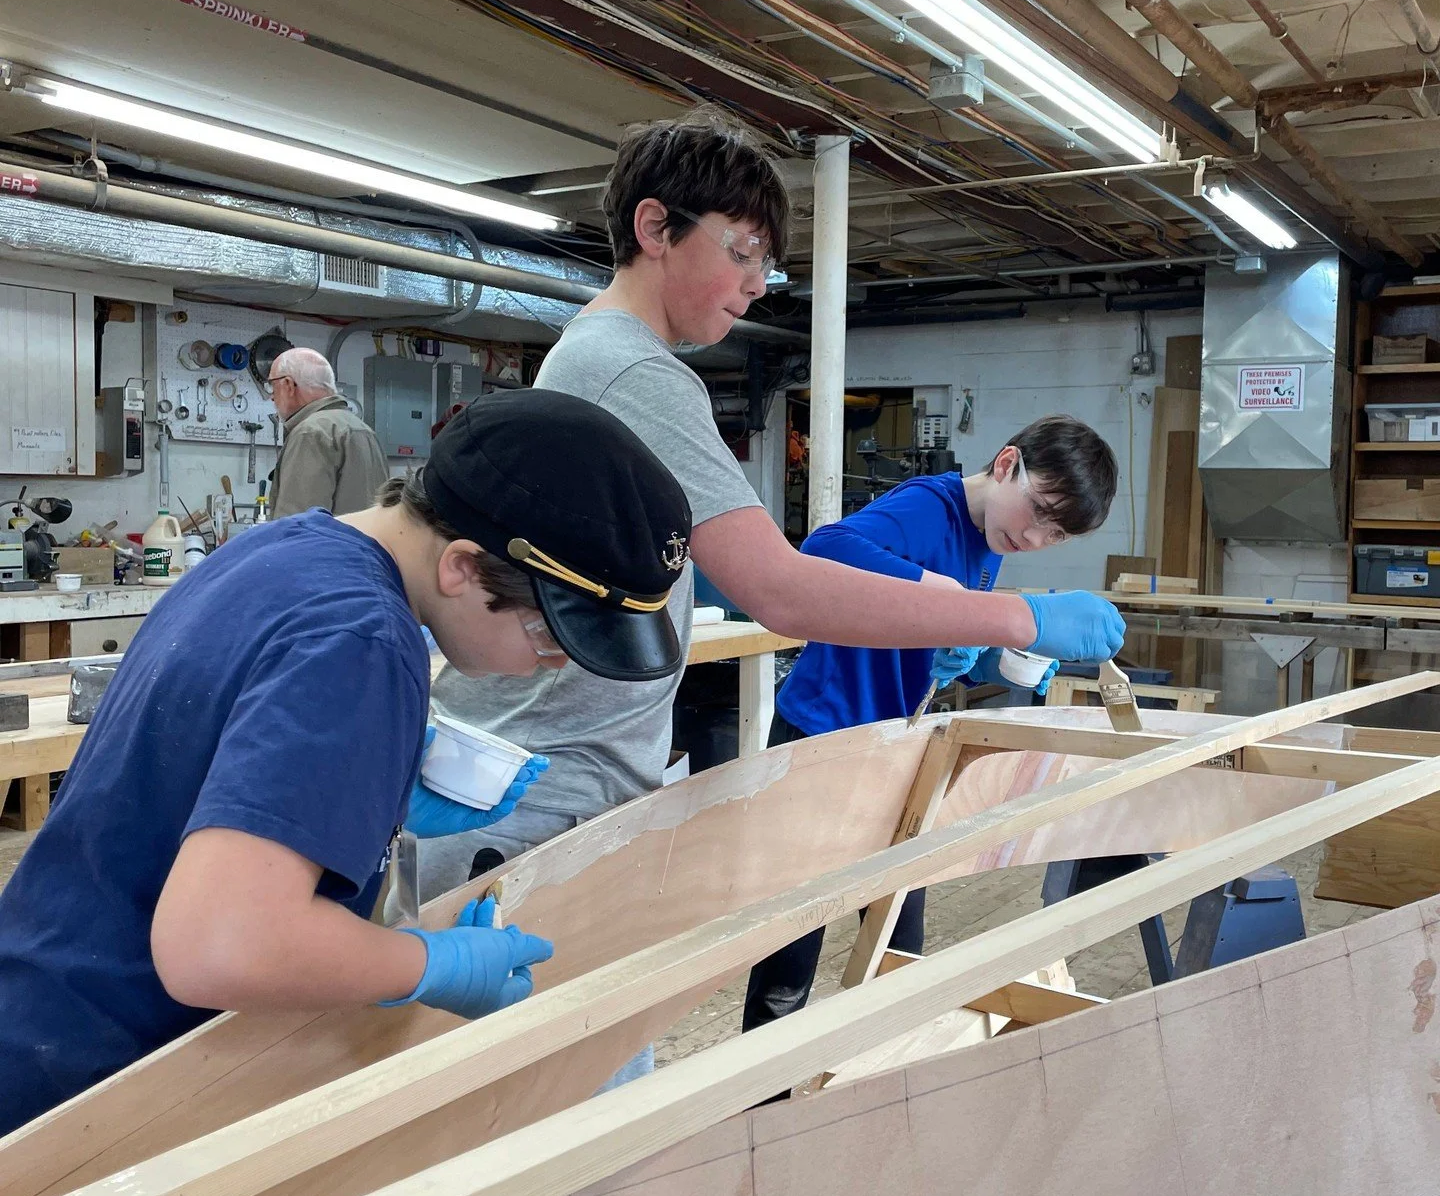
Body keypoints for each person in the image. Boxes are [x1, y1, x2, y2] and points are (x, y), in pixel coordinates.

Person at [410, 109, 1126, 911]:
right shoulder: (634, 374)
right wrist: (1017, 620)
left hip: (553, 764)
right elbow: (782, 588)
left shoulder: (594, 357)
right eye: (741, 252)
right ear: (656, 227)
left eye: (765, 265)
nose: (756, 284)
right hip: (547, 779)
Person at [0, 390, 693, 1135]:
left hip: (41, 1008)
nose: (551, 665)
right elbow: (218, 947)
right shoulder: (361, 640)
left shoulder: (282, 551)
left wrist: (373, 793)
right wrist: (425, 962)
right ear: (462, 566)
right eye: (551, 636)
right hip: (94, 1097)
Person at [743, 413, 1119, 1033]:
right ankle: (761, 1103)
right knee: (792, 945)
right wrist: (956, 600)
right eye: (1037, 513)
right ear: (1005, 464)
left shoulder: (990, 538)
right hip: (823, 738)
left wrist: (990, 658)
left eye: (1056, 535)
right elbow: (821, 551)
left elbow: (936, 641)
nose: (1035, 539)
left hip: (894, 746)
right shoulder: (927, 505)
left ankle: (885, 1069)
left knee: (899, 935)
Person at [267, 346, 388, 518]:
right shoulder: (364, 430)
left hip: (326, 545)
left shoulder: (310, 433)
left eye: (272, 385)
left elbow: (299, 524)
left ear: (289, 385)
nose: (272, 396)